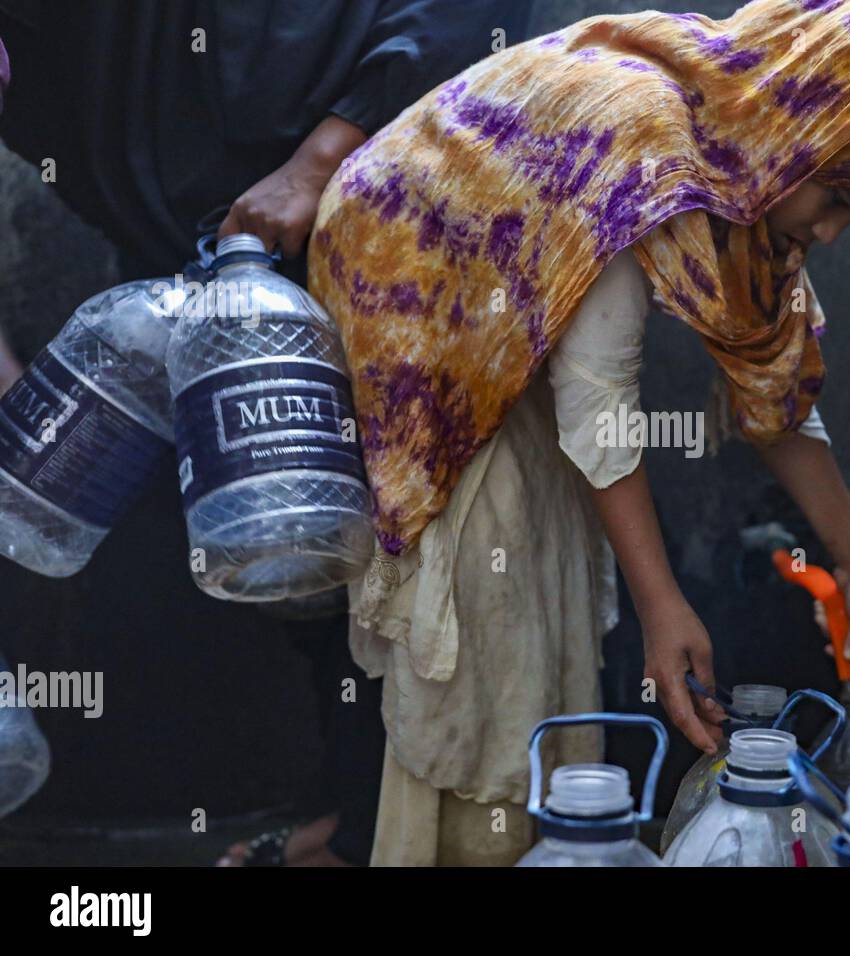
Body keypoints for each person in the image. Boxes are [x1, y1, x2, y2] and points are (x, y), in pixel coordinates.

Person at [309, 0, 850, 865]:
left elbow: (770, 378)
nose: (830, 233)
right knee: (485, 620)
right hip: (417, 310)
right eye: (841, 199)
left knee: (546, 596)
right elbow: (600, 403)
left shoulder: (753, 171)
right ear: (807, 129)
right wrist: (665, 611)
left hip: (523, 354)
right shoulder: (640, 138)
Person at [0, 0, 532, 866]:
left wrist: (318, 162)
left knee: (395, 546)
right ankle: (346, 817)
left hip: (373, 220)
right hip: (193, 241)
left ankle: (371, 827)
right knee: (280, 545)